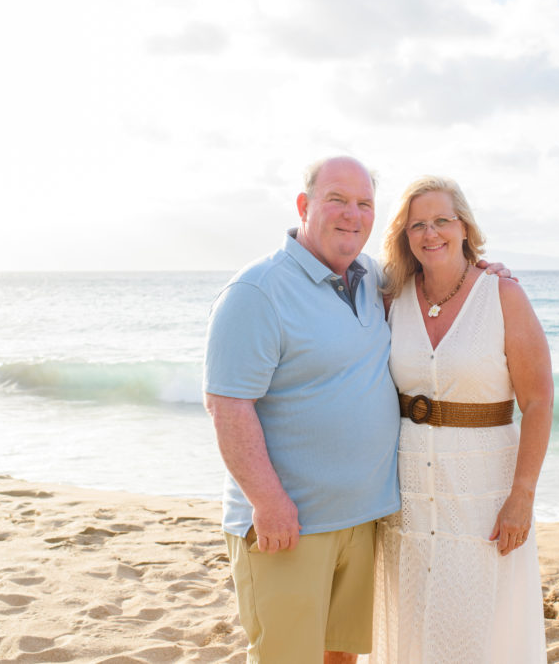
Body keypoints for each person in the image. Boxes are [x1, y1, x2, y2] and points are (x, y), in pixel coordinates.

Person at [203, 157, 509, 664]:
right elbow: (227, 405)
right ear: (304, 206)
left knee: (342, 658)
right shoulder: (256, 292)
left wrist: (481, 272)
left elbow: (437, 269)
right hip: (290, 525)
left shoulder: (371, 278)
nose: (352, 214)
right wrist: (268, 501)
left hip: (365, 521)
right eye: (337, 200)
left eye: (364, 203)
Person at [372, 176, 554, 663]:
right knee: (409, 619)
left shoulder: (503, 295)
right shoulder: (392, 297)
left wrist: (523, 495)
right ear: (403, 236)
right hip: (406, 494)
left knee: (479, 623)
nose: (430, 233)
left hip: (484, 495)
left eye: (441, 221)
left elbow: (538, 401)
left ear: (465, 227)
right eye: (417, 225)